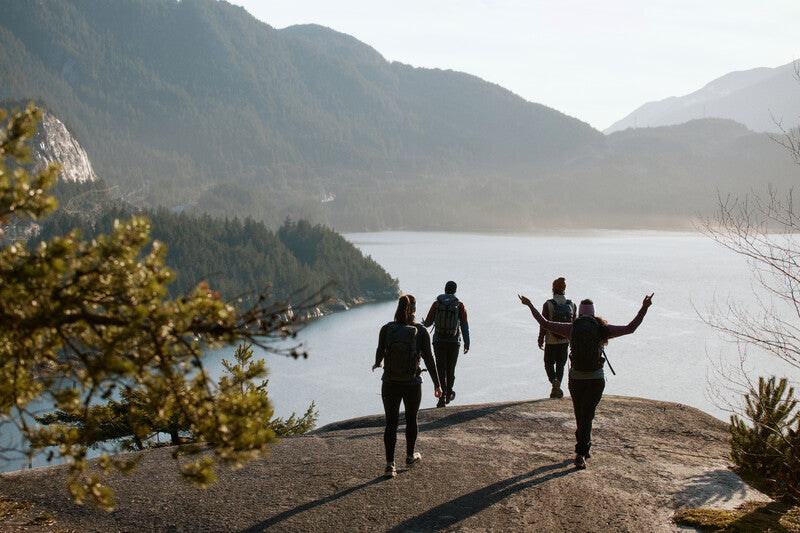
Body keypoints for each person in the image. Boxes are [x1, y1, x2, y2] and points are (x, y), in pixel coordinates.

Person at [518, 292, 654, 470]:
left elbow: (545, 323)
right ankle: (581, 452)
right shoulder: (602, 329)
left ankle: (582, 448)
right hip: (596, 379)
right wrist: (644, 308)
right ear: (594, 313)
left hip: (576, 379)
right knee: (587, 416)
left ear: (579, 314)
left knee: (580, 416)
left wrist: (530, 305)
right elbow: (630, 328)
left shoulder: (571, 328)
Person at [373, 294, 442, 478]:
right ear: (414, 310)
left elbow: (380, 350)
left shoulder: (387, 329)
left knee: (391, 423)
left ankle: (390, 465)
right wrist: (438, 385)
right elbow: (429, 358)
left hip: (389, 382)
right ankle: (410, 456)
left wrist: (377, 362)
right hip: (412, 383)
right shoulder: (420, 331)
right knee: (411, 419)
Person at [423, 281, 470, 408]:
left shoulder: (436, 303)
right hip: (454, 342)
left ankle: (441, 397)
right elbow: (465, 326)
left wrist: (421, 323)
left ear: (444, 289)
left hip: (438, 341)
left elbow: (428, 322)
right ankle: (449, 393)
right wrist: (467, 343)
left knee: (440, 369)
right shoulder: (459, 305)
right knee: (450, 369)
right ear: (455, 291)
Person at [537, 277, 576, 399]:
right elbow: (574, 325)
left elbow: (543, 324)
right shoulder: (572, 305)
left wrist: (540, 338)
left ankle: (554, 382)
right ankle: (556, 387)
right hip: (565, 340)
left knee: (548, 363)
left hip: (551, 340)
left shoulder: (548, 304)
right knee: (560, 365)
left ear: (553, 289)